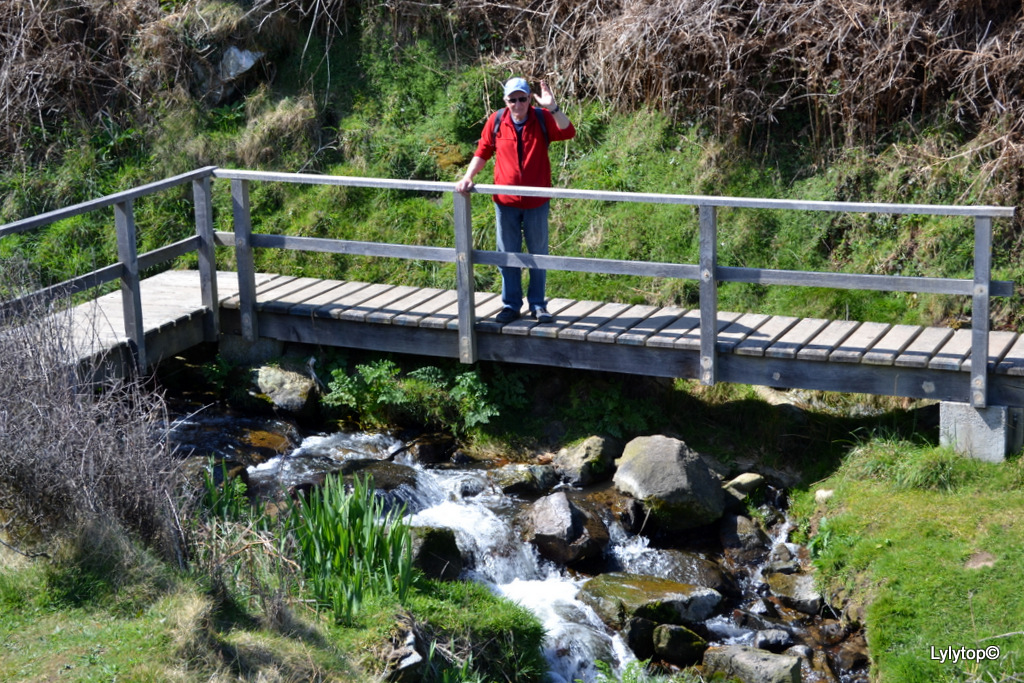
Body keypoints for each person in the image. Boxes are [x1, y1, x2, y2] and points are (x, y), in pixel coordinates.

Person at [455, 76, 576, 324]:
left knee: (537, 255)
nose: (518, 104)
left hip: (536, 201)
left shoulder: (542, 117)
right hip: (505, 202)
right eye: (513, 99)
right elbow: (483, 152)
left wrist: (552, 107)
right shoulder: (497, 120)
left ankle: (538, 306)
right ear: (505, 101)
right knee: (507, 255)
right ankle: (510, 305)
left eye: (522, 98)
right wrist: (468, 177)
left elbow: (568, 131)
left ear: (529, 98)